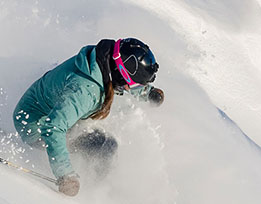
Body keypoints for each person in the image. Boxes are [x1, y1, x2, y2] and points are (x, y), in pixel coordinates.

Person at [13, 38, 164, 196]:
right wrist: (66, 175)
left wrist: (147, 93)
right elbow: (53, 127)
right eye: (135, 85)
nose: (133, 88)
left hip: (46, 110)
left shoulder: (102, 59)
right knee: (104, 146)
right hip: (34, 127)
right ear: (121, 73)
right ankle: (98, 192)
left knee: (98, 135)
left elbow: (120, 77)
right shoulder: (86, 91)